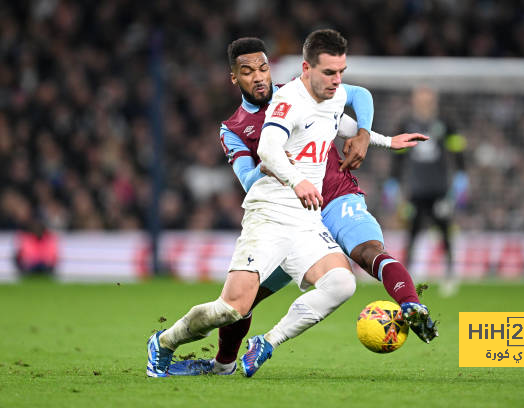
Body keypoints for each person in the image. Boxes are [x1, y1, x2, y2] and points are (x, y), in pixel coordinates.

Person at [166, 35, 436, 378]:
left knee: (366, 252)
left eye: (264, 68)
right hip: (289, 213)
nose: (260, 77)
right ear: (234, 77)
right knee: (243, 302)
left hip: (335, 195)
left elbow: (357, 97)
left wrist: (368, 134)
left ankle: (410, 302)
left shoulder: (300, 89)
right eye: (248, 71)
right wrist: (280, 168)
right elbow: (249, 180)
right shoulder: (233, 128)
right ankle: (224, 364)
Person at [390, 86, 468, 296]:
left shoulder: (445, 123)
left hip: (440, 188)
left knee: (444, 229)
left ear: (434, 100)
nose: (424, 102)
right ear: (415, 100)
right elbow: (398, 157)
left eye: (428, 98)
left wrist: (462, 176)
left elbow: (457, 151)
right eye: (421, 98)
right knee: (412, 232)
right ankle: (407, 277)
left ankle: (450, 275)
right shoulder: (406, 123)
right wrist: (393, 181)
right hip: (416, 188)